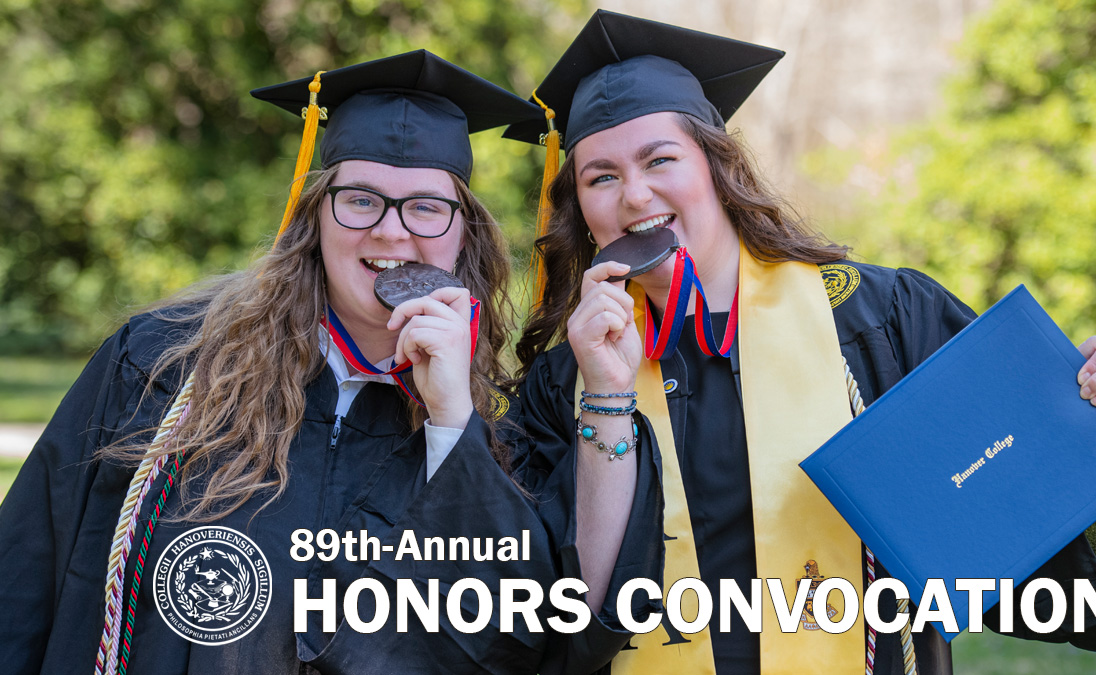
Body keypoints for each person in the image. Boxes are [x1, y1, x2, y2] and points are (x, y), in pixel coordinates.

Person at [506, 10, 1096, 675]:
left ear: (716, 166)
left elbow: (1009, 497)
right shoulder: (568, 381)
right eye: (600, 176)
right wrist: (604, 397)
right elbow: (546, 612)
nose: (634, 195)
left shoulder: (878, 317)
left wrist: (1087, 412)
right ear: (580, 209)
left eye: (661, 159)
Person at [0, 50, 629, 674]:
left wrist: (450, 421)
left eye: (426, 207)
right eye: (360, 199)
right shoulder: (165, 367)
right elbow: (28, 570)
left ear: (464, 233)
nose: (391, 231)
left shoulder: (492, 430)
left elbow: (509, 641)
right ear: (316, 216)